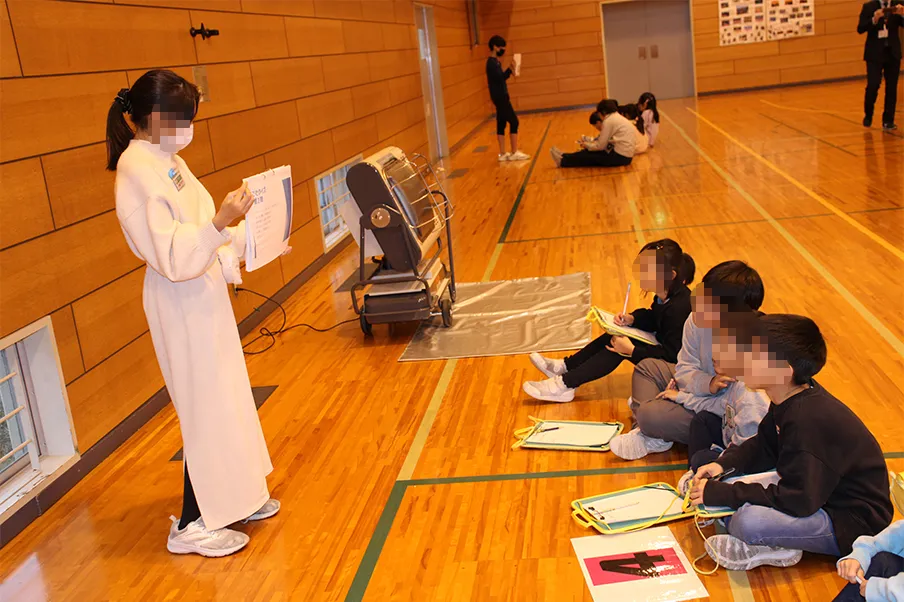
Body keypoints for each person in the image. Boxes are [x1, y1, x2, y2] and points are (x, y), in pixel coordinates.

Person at [106, 70, 279, 557]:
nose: (189, 129)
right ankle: (191, 523)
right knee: (203, 408)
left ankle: (238, 495)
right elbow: (173, 253)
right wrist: (225, 223)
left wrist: (255, 241)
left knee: (228, 397)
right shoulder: (136, 169)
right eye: (182, 120)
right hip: (178, 300)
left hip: (201, 298)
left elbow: (207, 226)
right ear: (155, 118)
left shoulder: (169, 160)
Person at [689, 313, 893, 571]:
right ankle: (776, 534)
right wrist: (723, 465)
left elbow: (799, 500)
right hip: (817, 493)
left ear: (784, 372)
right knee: (725, 488)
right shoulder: (787, 397)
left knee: (746, 522)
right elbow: (763, 445)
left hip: (850, 521)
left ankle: (779, 545)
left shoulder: (807, 420)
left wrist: (726, 494)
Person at [610, 261, 769, 463]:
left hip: (716, 415)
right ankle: (648, 432)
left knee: (649, 413)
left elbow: (730, 408)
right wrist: (704, 384)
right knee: (647, 367)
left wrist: (682, 396)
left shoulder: (748, 345)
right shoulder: (697, 319)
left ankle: (650, 427)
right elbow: (683, 366)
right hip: (699, 392)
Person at [524, 239, 694, 403]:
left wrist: (632, 350)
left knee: (617, 348)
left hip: (677, 368)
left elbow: (673, 355)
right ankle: (566, 367)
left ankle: (565, 385)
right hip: (665, 349)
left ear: (670, 275)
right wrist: (632, 319)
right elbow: (655, 318)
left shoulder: (679, 308)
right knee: (614, 335)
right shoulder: (666, 295)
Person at [858, 0, 904, 130]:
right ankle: (868, 114)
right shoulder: (869, 7)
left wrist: (902, 15)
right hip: (874, 54)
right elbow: (860, 28)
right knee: (873, 84)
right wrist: (874, 19)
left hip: (892, 53)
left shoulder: (898, 5)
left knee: (892, 87)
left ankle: (888, 120)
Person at [550, 100, 636, 168]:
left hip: (620, 157)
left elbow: (600, 146)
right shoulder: (616, 117)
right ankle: (563, 156)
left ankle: (563, 161)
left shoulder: (608, 121)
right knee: (589, 153)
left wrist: (587, 145)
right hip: (625, 155)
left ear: (603, 112)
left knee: (590, 156)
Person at [486, 34, 529, 162]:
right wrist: (510, 70)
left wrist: (510, 68)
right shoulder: (491, 64)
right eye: (501, 48)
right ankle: (514, 151)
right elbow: (500, 78)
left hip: (499, 97)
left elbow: (501, 78)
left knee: (501, 123)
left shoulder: (495, 62)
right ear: (494, 47)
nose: (503, 50)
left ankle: (503, 153)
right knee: (514, 121)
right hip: (501, 97)